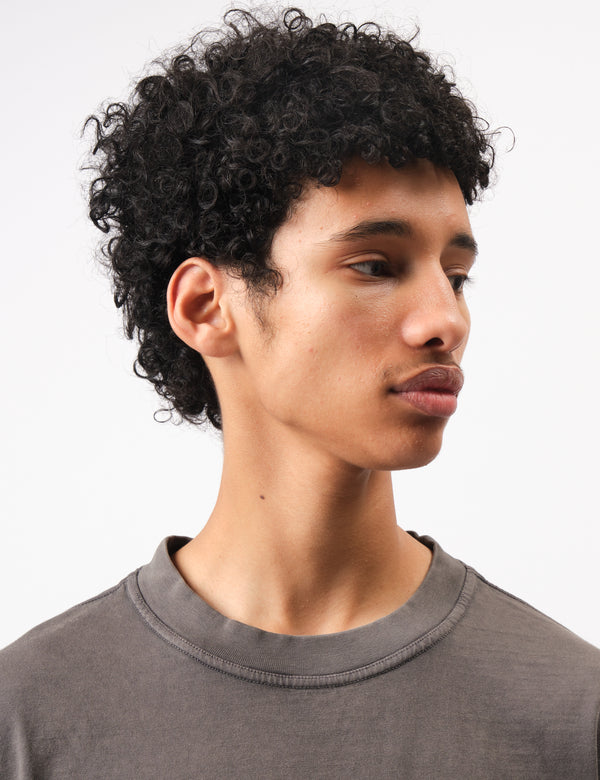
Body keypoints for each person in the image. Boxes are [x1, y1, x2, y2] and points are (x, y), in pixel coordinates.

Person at [1, 7, 598, 778]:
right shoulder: (30, 719)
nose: (446, 321)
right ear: (206, 308)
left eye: (455, 276)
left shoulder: (570, 717)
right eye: (376, 266)